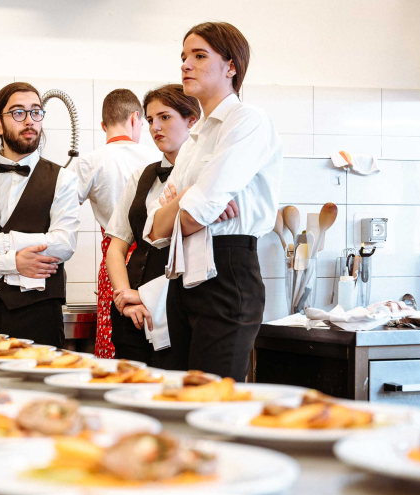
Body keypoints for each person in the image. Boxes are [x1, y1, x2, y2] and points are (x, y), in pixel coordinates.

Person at [145, 22, 282, 379]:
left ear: (231, 66)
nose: (185, 65)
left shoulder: (247, 120)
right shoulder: (193, 140)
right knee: (180, 400)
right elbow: (153, 230)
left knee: (213, 402)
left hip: (228, 271)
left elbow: (191, 216)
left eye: (199, 56)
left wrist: (187, 204)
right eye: (184, 57)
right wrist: (190, 198)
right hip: (181, 278)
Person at [0, 81, 80, 347]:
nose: (30, 120)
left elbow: (63, 244)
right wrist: (13, 264)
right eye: (18, 113)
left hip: (40, 315)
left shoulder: (64, 179)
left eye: (36, 112)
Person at [104, 85, 200, 364]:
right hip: (131, 315)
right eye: (149, 120)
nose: (155, 126)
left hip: (175, 312)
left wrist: (146, 297)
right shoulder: (141, 177)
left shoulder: (203, 177)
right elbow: (116, 247)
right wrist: (123, 297)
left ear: (191, 121)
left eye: (165, 117)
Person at [73, 89, 160, 358]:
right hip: (155, 261)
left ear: (103, 125)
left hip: (115, 262)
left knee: (116, 347)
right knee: (156, 342)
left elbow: (59, 210)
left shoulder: (89, 161)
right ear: (137, 118)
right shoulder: (156, 159)